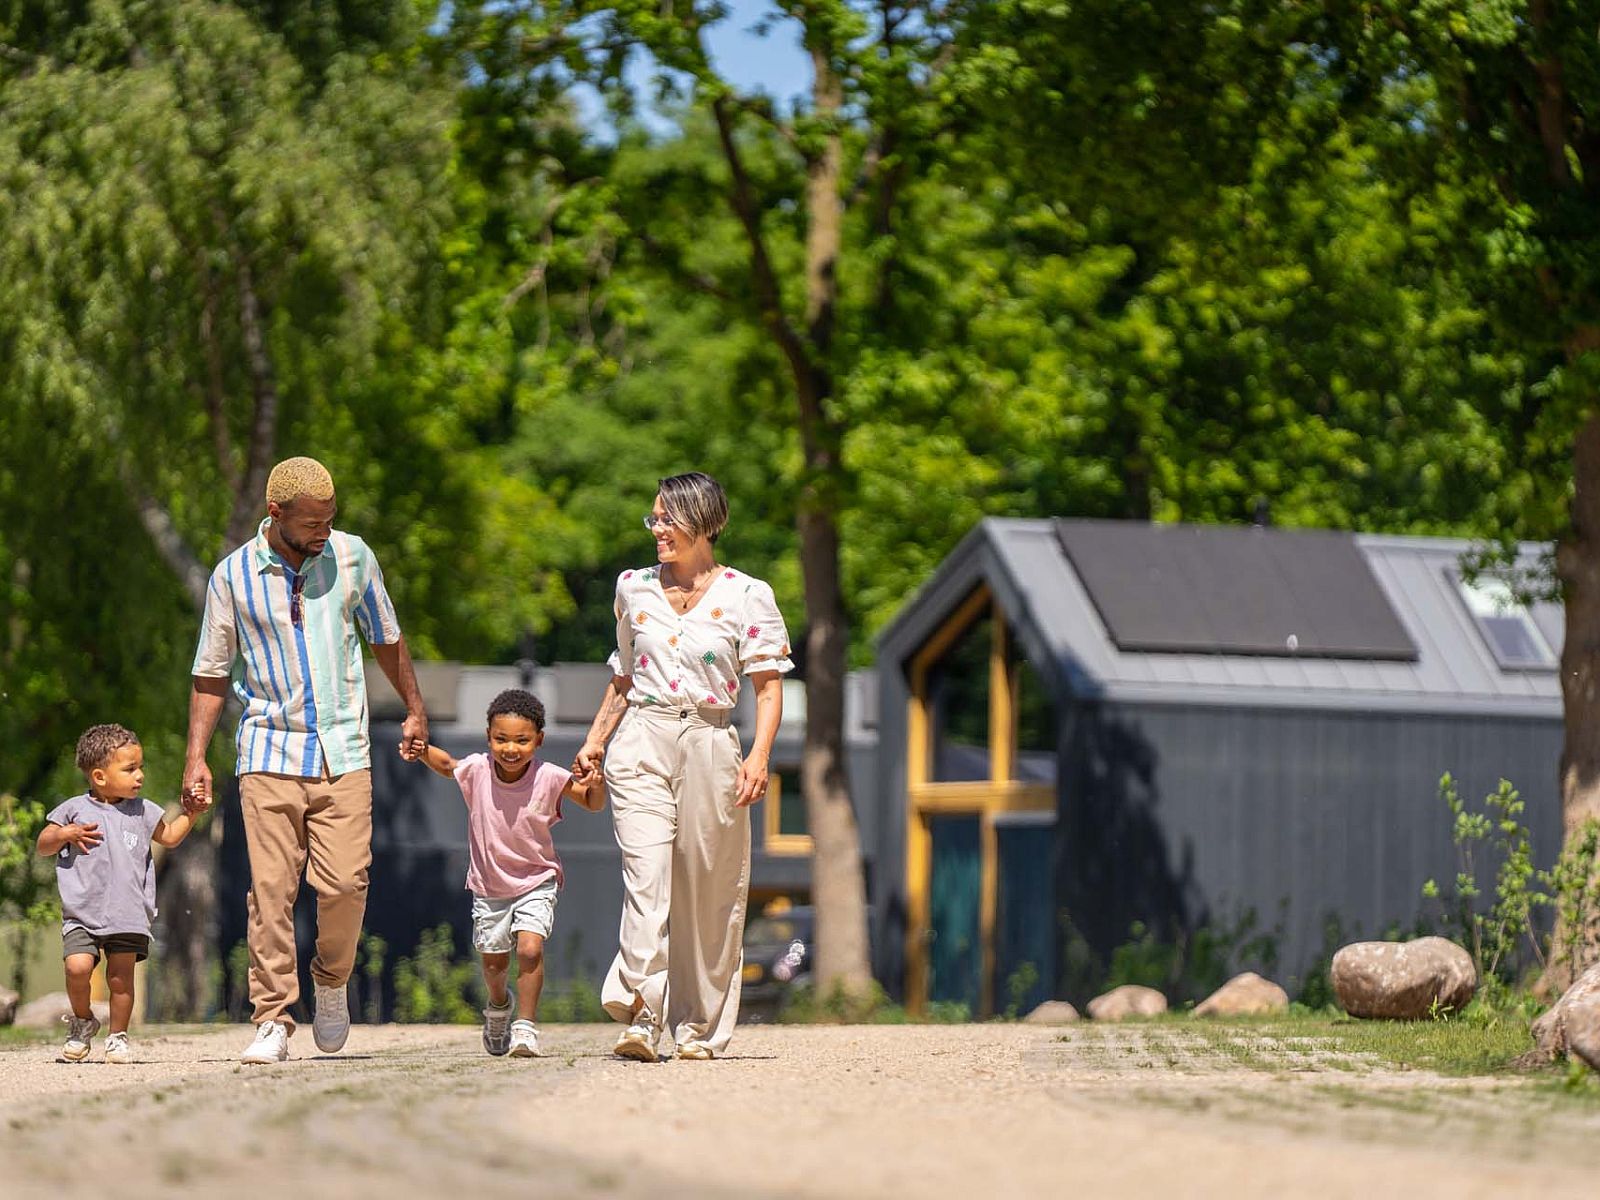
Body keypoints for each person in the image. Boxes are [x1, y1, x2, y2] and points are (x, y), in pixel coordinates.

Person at [183, 456, 429, 1065]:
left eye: (330, 518)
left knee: (345, 883)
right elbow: (211, 675)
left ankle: (331, 978)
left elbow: (386, 638)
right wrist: (195, 757)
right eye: (312, 522)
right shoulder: (232, 577)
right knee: (270, 891)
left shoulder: (352, 558)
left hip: (343, 749)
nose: (324, 531)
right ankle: (271, 1017)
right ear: (276, 513)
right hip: (267, 749)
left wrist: (415, 710)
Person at [574, 471, 792, 1062]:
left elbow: (768, 690)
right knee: (647, 879)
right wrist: (595, 743)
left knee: (708, 891)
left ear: (702, 521)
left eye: (666, 518)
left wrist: (759, 756)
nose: (656, 529)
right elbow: (623, 675)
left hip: (712, 740)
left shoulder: (748, 595)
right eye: (654, 519)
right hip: (642, 737)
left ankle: (697, 1028)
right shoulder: (632, 587)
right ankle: (642, 1015)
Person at [417, 689, 605, 1057]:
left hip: (537, 879)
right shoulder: (476, 770)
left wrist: (597, 784)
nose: (511, 748)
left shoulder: (549, 776)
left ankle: (526, 1027)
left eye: (522, 740)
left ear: (539, 740)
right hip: (490, 886)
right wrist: (421, 748)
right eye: (501, 739)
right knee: (494, 962)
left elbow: (590, 802)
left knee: (531, 949)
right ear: (488, 737)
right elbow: (445, 764)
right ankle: (499, 1007)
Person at [37, 724, 205, 1064]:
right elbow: (43, 846)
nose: (139, 775)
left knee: (120, 979)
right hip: (82, 913)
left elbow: (170, 837)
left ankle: (117, 1036)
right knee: (78, 968)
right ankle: (83, 1021)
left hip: (128, 911)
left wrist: (193, 814)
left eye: (139, 766)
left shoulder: (143, 811)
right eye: (130, 769)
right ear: (99, 776)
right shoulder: (73, 810)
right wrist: (64, 834)